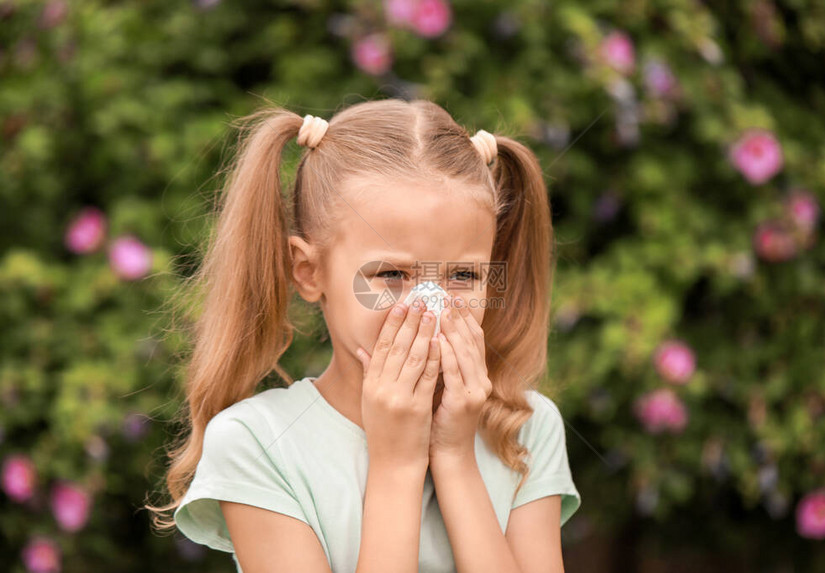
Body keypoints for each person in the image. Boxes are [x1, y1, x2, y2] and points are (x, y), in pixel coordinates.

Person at [145, 98, 581, 573]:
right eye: (392, 273)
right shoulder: (257, 444)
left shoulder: (524, 427)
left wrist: (456, 458)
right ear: (310, 273)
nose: (430, 305)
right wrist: (396, 466)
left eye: (462, 276)